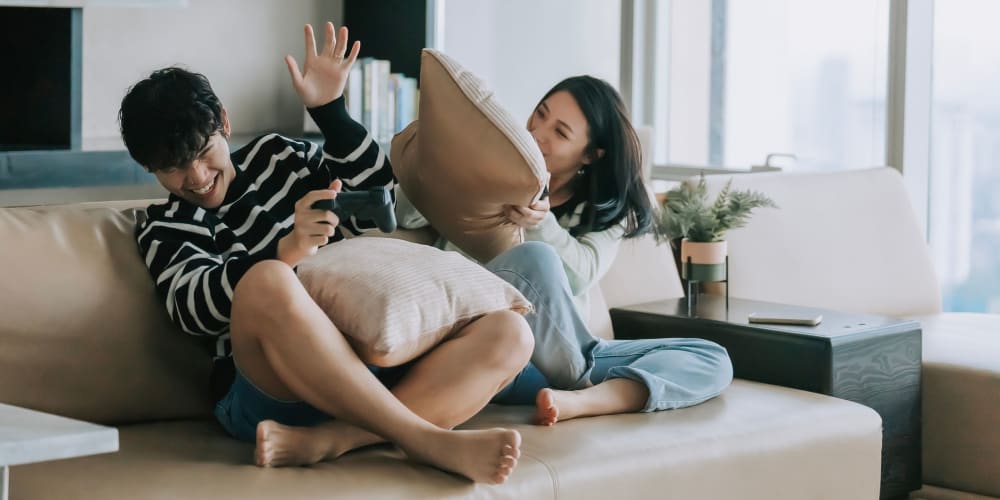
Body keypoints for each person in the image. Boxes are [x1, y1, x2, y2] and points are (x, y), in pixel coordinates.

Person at [121, 22, 534, 484]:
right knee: (268, 280)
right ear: (148, 167)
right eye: (173, 168)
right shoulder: (164, 225)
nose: (196, 177)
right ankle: (422, 438)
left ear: (224, 121)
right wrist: (285, 251)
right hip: (267, 389)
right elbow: (193, 310)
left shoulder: (278, 155)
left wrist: (330, 112)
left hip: (368, 366)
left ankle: (335, 440)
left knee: (511, 332)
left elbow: (377, 205)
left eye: (203, 152)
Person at [250, 75, 734, 464]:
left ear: (591, 156)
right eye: (540, 116)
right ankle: (579, 383)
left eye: (559, 133)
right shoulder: (491, 171)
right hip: (495, 342)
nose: (538, 134)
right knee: (532, 262)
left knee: (713, 357)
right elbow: (410, 212)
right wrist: (455, 179)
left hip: (566, 348)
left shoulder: (607, 213)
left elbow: (579, 277)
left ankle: (583, 400)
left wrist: (537, 217)